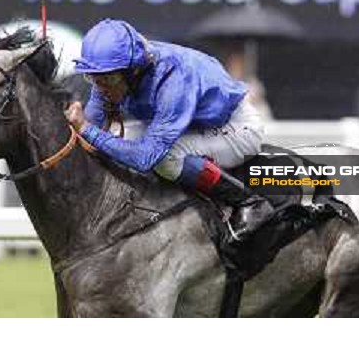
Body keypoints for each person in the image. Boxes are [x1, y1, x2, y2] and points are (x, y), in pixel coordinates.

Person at [65, 19, 274, 241]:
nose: (101, 87)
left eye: (108, 79)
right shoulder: (111, 71)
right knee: (113, 141)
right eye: (94, 79)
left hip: (236, 128)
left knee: (165, 159)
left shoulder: (174, 78)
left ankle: (249, 202)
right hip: (191, 128)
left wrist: (87, 129)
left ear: (133, 70)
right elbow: (90, 135)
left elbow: (146, 157)